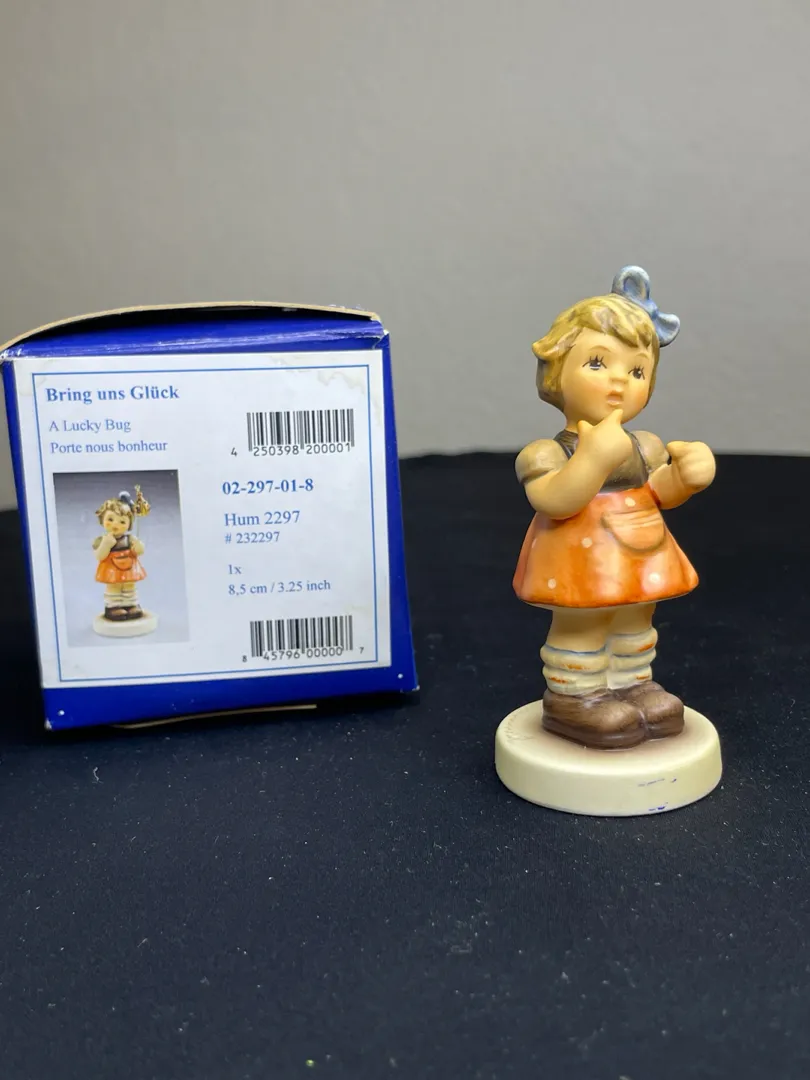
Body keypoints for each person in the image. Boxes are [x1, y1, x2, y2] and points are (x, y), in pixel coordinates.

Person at [513, 266, 715, 749]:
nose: (620, 380)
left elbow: (660, 491)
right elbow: (554, 500)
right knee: (584, 625)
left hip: (638, 551)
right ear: (556, 370)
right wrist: (591, 461)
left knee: (635, 620)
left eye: (637, 370)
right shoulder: (546, 453)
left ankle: (633, 684)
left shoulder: (644, 445)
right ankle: (575, 696)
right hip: (579, 559)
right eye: (598, 363)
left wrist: (686, 477)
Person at [93, 491, 147, 621]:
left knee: (129, 586)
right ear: (102, 519)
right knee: (114, 587)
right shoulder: (103, 539)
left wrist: (138, 547)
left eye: (122, 521)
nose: (115, 524)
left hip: (129, 567)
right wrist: (106, 545)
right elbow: (99, 556)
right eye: (110, 519)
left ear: (129, 524)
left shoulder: (129, 539)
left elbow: (139, 551)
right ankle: (113, 607)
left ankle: (131, 605)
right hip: (111, 568)